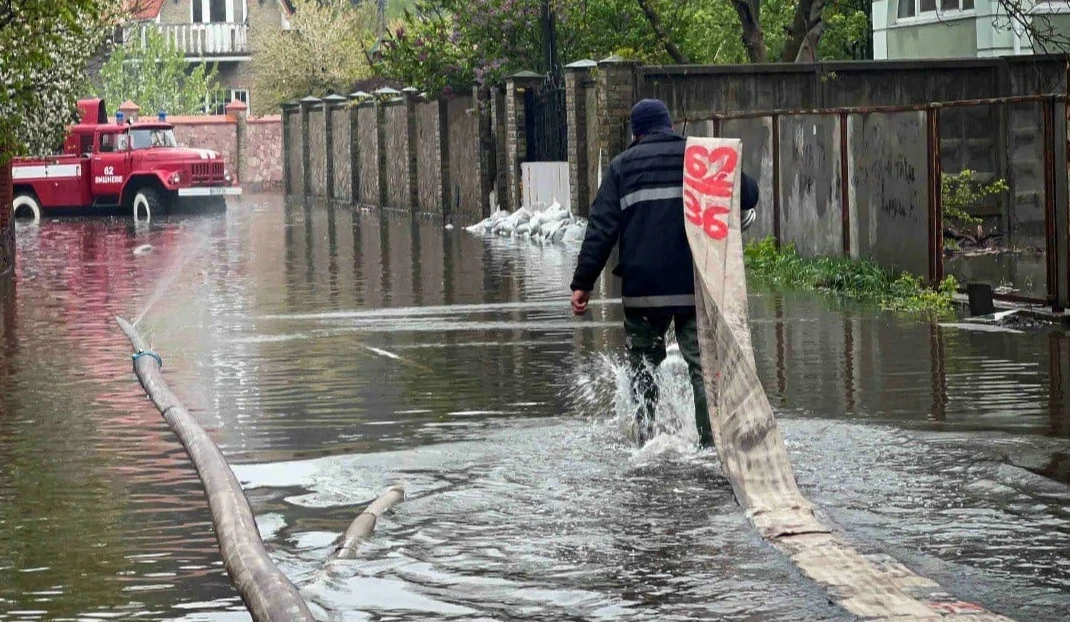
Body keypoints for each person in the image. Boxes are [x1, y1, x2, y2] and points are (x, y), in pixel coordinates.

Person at [569, 98, 759, 449]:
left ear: (636, 134)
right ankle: (710, 448)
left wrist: (583, 283)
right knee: (702, 368)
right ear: (670, 126)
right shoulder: (697, 156)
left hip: (643, 289)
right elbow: (749, 193)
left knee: (643, 367)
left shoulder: (621, 168)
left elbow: (600, 229)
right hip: (693, 287)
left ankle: (645, 441)